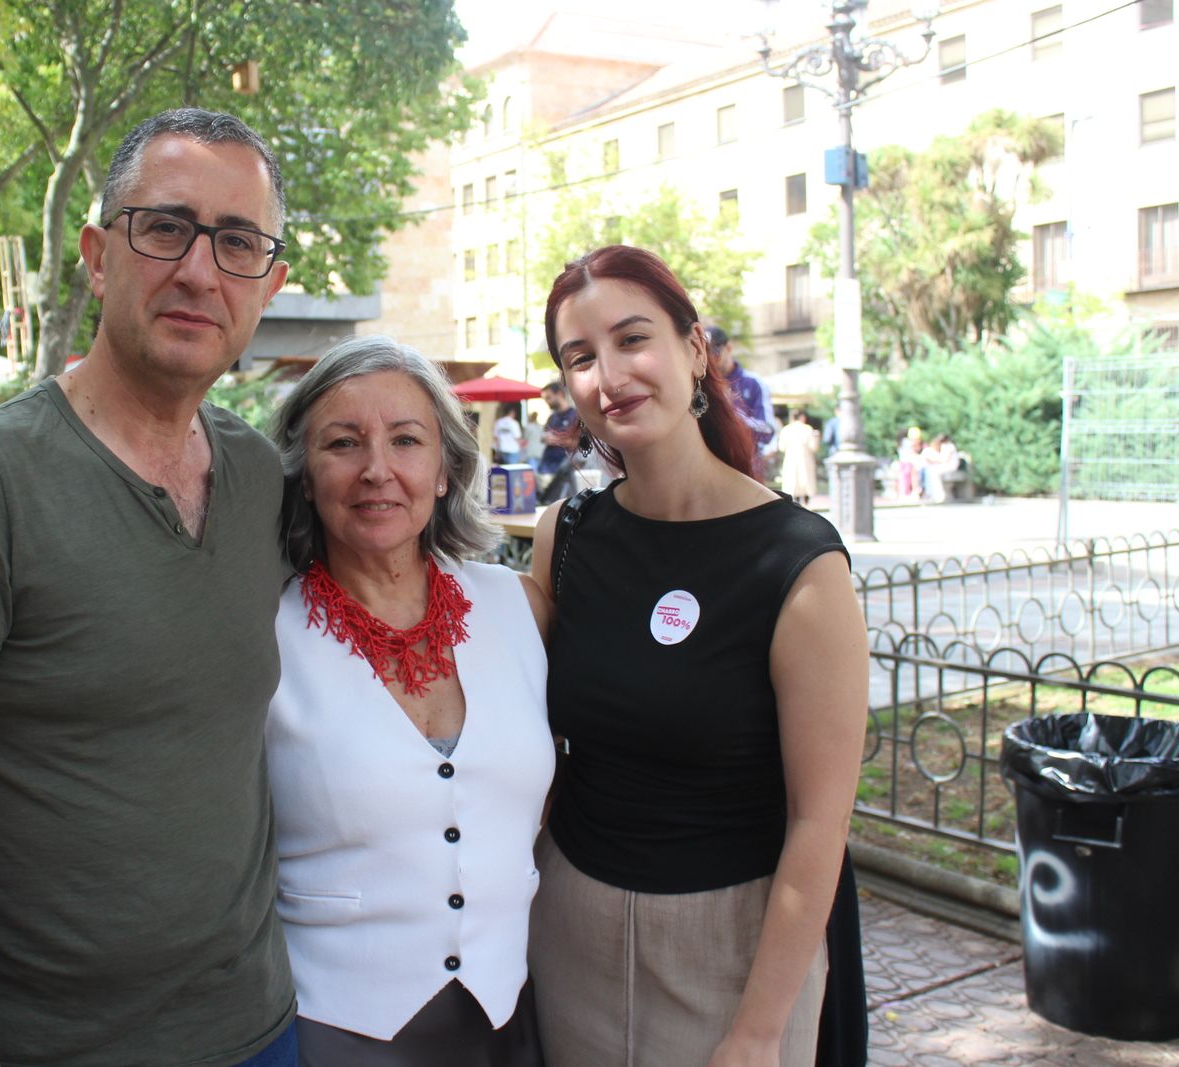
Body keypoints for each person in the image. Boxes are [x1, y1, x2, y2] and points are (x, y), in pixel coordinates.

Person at [0, 108, 297, 1067]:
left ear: (269, 284)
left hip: (261, 1028)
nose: (200, 270)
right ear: (98, 257)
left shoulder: (263, 478)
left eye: (238, 243)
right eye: (165, 227)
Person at [527, 246, 868, 1067]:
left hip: (735, 950)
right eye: (581, 356)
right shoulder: (565, 537)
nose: (610, 375)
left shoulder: (798, 562)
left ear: (692, 349)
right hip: (570, 934)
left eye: (631, 339)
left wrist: (758, 1031)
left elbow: (819, 821)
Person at [266, 336, 552, 1066]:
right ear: (305, 476)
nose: (377, 469)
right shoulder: (262, 635)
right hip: (332, 1026)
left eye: (406, 440)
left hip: (505, 1016)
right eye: (343, 443)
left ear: (445, 467)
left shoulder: (519, 607)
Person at [705, 324, 776, 454]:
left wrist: (731, 417)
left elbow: (768, 431)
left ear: (728, 348)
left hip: (747, 462)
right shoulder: (702, 385)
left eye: (715, 353)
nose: (711, 360)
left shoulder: (754, 383)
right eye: (705, 355)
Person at [535, 381, 579, 505]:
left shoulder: (575, 416)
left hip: (563, 472)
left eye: (548, 397)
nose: (546, 401)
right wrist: (546, 438)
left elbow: (577, 443)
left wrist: (556, 440)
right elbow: (544, 436)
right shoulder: (552, 417)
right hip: (545, 468)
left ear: (559, 394)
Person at [778, 408, 822, 507]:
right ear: (802, 417)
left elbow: (781, 447)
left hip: (790, 459)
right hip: (805, 459)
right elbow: (813, 447)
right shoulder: (807, 429)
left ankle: (795, 504)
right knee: (806, 482)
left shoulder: (786, 429)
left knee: (793, 483)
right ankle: (806, 504)